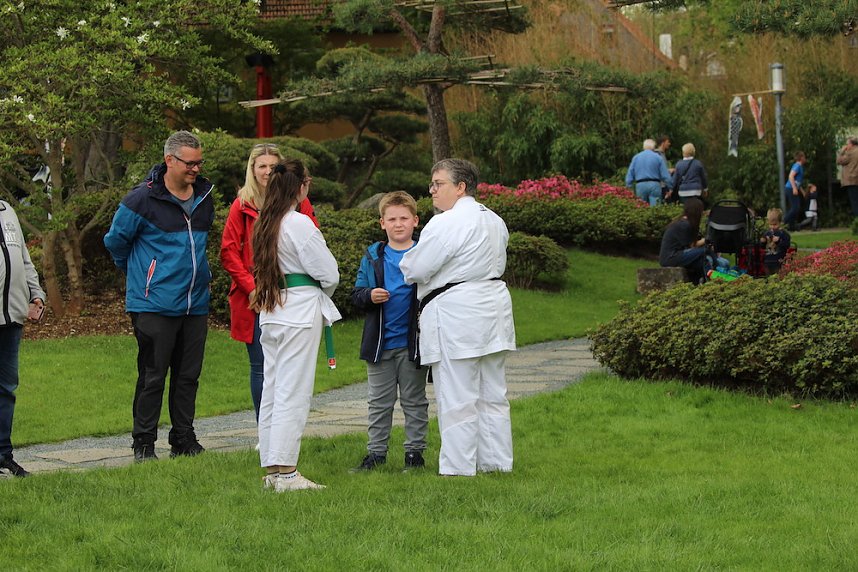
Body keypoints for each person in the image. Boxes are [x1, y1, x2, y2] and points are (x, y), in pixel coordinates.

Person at [400, 158, 515, 477]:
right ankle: (496, 463)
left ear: (461, 187)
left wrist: (409, 268)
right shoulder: (494, 219)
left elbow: (416, 267)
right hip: (493, 309)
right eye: (432, 184)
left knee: (458, 393)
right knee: (492, 392)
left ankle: (458, 468)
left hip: (458, 313)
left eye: (439, 184)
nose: (432, 191)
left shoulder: (447, 222)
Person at [104, 130, 214, 462]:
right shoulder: (141, 199)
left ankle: (183, 438)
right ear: (169, 160)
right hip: (153, 304)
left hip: (195, 304)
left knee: (188, 376)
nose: (195, 169)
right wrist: (144, 278)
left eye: (199, 163)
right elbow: (115, 242)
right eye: (189, 163)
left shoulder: (204, 196)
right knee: (153, 376)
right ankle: (143, 444)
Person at [251, 158, 340, 492]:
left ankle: (274, 470)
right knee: (293, 391)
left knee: (274, 390)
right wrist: (322, 293)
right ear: (301, 185)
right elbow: (329, 272)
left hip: (273, 310)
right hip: (299, 310)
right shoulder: (298, 223)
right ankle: (287, 473)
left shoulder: (266, 222)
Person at [220, 143, 321, 423]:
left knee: (290, 367)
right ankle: (264, 427)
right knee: (261, 366)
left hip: (291, 292)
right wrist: (252, 288)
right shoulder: (242, 204)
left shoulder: (301, 204)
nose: (266, 171)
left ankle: (285, 425)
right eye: (261, 166)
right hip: (253, 295)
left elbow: (312, 243)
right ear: (252, 170)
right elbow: (229, 252)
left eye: (272, 166)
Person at [351, 191, 429, 473]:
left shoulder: (425, 252)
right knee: (379, 403)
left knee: (414, 401)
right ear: (382, 223)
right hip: (379, 344)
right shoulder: (374, 255)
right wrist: (370, 295)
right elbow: (356, 293)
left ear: (415, 221)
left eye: (404, 218)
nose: (399, 224)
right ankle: (376, 454)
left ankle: (415, 454)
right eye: (392, 219)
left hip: (414, 343)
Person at [0, 201, 46, 478]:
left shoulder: (7, 211)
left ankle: (4, 454)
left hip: (12, 317)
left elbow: (24, 258)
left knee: (6, 388)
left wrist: (35, 293)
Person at [658, 197, 707, 284]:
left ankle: (698, 283)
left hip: (676, 255)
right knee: (705, 251)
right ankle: (708, 281)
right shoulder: (684, 225)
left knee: (700, 262)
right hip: (671, 257)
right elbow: (692, 246)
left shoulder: (684, 222)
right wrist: (706, 240)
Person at [625, 139, 673, 206]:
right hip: (654, 185)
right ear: (653, 147)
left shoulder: (636, 157)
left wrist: (629, 187)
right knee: (655, 208)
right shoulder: (658, 157)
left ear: (644, 147)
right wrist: (670, 187)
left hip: (640, 185)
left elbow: (630, 174)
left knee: (642, 208)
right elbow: (665, 175)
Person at [760, 208, 791, 275]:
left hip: (779, 261)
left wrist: (779, 241)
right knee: (768, 278)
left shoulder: (783, 234)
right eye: (770, 224)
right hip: (767, 261)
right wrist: (762, 242)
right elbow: (762, 247)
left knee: (778, 276)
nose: (772, 227)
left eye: (775, 224)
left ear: (780, 222)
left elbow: (787, 245)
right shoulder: (767, 233)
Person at [783, 151, 807, 231]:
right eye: (804, 157)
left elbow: (798, 181)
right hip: (790, 188)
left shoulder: (799, 166)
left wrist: (802, 191)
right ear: (801, 158)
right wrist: (794, 188)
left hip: (792, 188)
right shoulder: (797, 166)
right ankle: (782, 223)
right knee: (795, 208)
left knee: (796, 208)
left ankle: (791, 227)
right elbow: (791, 176)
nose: (805, 158)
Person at [836, 137, 858, 217]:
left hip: (851, 180)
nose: (846, 146)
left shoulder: (850, 153)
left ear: (851, 144)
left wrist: (841, 151)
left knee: (855, 203)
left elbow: (839, 161)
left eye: (847, 144)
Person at [655, 135, 676, 204]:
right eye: (668, 142)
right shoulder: (657, 154)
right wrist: (669, 171)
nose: (669, 144)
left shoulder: (662, 154)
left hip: (663, 184)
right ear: (663, 143)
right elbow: (658, 170)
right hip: (661, 185)